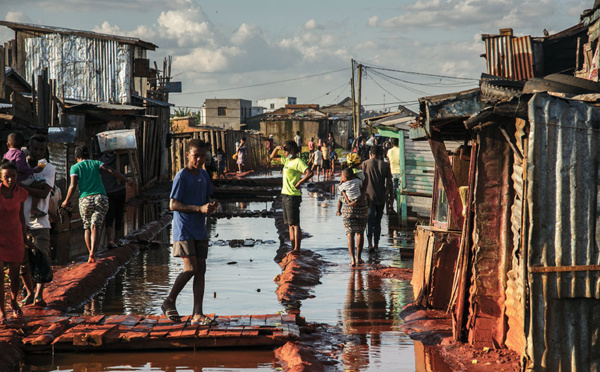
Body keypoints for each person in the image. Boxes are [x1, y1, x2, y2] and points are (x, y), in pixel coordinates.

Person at [162, 139, 219, 325]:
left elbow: (208, 196)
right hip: (184, 229)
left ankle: (197, 314)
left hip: (199, 229)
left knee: (201, 270)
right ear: (188, 155)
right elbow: (173, 204)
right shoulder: (181, 176)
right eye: (196, 156)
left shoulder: (203, 175)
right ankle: (169, 300)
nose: (200, 159)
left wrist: (211, 205)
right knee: (191, 268)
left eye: (203, 156)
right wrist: (198, 209)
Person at [61, 146, 129, 263]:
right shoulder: (96, 163)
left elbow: (72, 186)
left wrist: (66, 201)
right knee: (95, 226)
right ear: (89, 155)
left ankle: (90, 253)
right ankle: (93, 250)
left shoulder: (75, 167)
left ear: (76, 157)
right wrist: (125, 180)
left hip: (85, 200)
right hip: (100, 197)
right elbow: (111, 171)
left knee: (87, 228)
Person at [19, 134, 56, 307]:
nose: (38, 152)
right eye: (35, 149)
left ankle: (39, 295)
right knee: (23, 261)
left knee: (41, 258)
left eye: (41, 149)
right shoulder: (20, 166)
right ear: (28, 147)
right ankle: (29, 292)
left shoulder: (48, 168)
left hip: (41, 222)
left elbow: (44, 193)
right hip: (21, 221)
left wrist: (23, 188)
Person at [270, 140, 313, 255]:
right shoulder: (286, 160)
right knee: (289, 224)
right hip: (285, 194)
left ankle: (297, 249)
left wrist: (300, 182)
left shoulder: (297, 161)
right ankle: (293, 247)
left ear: (292, 150)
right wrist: (277, 148)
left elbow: (309, 172)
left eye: (286, 150)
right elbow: (272, 157)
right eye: (284, 150)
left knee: (295, 223)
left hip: (293, 195)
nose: (284, 152)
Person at [0, 161, 29, 323]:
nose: (10, 180)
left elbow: (21, 217)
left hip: (15, 237)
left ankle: (13, 301)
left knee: (14, 276)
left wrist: (25, 238)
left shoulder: (21, 193)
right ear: (1, 177)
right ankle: (2, 310)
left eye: (13, 176)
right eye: (6, 177)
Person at [3, 132, 44, 216]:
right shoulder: (19, 154)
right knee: (39, 184)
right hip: (21, 179)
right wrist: (33, 170)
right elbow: (20, 167)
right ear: (23, 145)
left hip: (11, 180)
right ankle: (34, 208)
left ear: (8, 145)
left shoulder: (6, 155)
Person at [361, 146, 392, 252]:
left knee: (370, 220)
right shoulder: (385, 165)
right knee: (377, 222)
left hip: (368, 196)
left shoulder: (365, 164)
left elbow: (361, 180)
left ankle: (369, 244)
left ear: (371, 153)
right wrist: (390, 197)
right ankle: (376, 245)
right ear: (381, 154)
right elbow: (389, 182)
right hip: (381, 196)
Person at [336, 168, 368, 267]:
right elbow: (363, 188)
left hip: (348, 209)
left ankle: (352, 260)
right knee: (360, 233)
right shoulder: (360, 178)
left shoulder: (343, 185)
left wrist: (349, 202)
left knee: (350, 234)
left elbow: (341, 192)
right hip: (361, 207)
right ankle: (359, 258)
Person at [98, 151, 128, 250]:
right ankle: (116, 240)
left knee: (109, 216)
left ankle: (110, 240)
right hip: (119, 190)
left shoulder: (100, 160)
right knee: (119, 215)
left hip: (107, 191)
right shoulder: (121, 157)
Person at [386, 138, 401, 213]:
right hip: (400, 173)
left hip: (392, 172)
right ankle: (400, 206)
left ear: (391, 143)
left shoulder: (389, 151)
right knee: (400, 191)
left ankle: (391, 206)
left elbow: (388, 162)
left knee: (392, 191)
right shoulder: (401, 150)